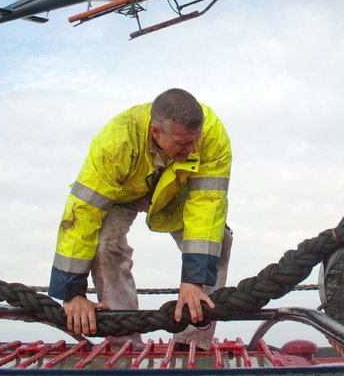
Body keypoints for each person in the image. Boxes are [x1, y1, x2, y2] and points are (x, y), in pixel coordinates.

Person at [48, 88, 233, 351]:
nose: (192, 149)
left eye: (195, 140)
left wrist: (193, 281)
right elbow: (81, 214)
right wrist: (72, 293)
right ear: (156, 132)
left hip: (174, 191)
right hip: (123, 193)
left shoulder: (212, 135)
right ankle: (124, 341)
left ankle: (193, 342)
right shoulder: (115, 141)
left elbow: (208, 206)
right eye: (182, 143)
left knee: (220, 240)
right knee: (105, 244)